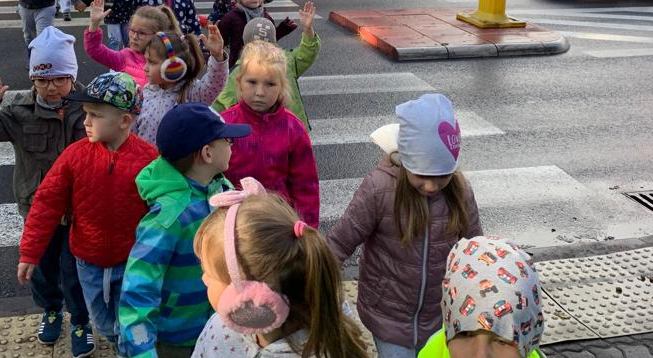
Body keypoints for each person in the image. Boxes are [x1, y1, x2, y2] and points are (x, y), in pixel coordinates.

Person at [0, 27, 94, 358]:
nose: (51, 87)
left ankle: (81, 320)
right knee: (40, 266)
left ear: (72, 76)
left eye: (60, 79)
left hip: (80, 208)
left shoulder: (89, 106)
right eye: (42, 80)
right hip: (37, 207)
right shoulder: (20, 111)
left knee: (76, 270)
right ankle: (51, 310)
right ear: (33, 80)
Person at [327, 93, 483, 358]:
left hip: (440, 318)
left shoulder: (460, 192)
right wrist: (314, 280)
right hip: (388, 317)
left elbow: (476, 250)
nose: (431, 186)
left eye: (441, 176)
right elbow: (341, 241)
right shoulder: (379, 188)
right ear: (405, 159)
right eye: (422, 174)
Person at [18, 72, 159, 352]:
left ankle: (127, 345)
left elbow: (162, 211)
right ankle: (113, 335)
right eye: (85, 113)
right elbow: (46, 202)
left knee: (131, 317)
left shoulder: (149, 160)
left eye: (95, 115)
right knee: (101, 319)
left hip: (133, 260)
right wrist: (30, 252)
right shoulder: (75, 155)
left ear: (124, 121)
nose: (85, 121)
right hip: (88, 260)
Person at [118, 102, 252, 358]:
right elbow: (137, 289)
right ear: (207, 153)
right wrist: (141, 351)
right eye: (226, 139)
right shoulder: (169, 218)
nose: (232, 144)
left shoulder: (221, 190)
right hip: (175, 342)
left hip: (217, 326)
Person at [192, 188, 370, 358]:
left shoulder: (220, 334)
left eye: (209, 274)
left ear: (248, 299)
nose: (204, 279)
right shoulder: (331, 318)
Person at [221, 40, 320, 228]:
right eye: (252, 82)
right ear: (239, 83)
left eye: (270, 84)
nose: (260, 92)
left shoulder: (294, 129)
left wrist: (306, 231)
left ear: (282, 87)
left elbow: (305, 187)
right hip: (232, 221)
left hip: (277, 223)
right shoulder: (224, 124)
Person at [418, 237, 546, 358]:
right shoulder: (432, 352)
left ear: (529, 337)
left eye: (502, 340)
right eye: (466, 333)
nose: (481, 355)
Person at [212, 2, 320, 131]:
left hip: (289, 129)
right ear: (247, 46)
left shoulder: (286, 61)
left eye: (265, 44)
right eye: (252, 82)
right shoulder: (242, 68)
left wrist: (308, 30)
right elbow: (223, 101)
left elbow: (306, 54)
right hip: (255, 132)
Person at [132, 27, 228, 147]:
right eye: (146, 61)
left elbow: (214, 84)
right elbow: (133, 130)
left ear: (173, 66)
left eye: (152, 62)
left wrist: (217, 56)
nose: (145, 68)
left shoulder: (192, 92)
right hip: (147, 162)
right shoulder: (145, 92)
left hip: (177, 164)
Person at [84, 0, 181, 86]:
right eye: (132, 30)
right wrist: (94, 24)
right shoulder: (125, 56)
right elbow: (95, 50)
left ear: (159, 34)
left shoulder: (170, 59)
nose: (134, 37)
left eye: (142, 33)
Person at [217, 0, 297, 69]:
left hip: (263, 65)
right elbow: (220, 41)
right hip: (238, 65)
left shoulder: (265, 16)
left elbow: (270, 39)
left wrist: (283, 29)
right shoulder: (231, 17)